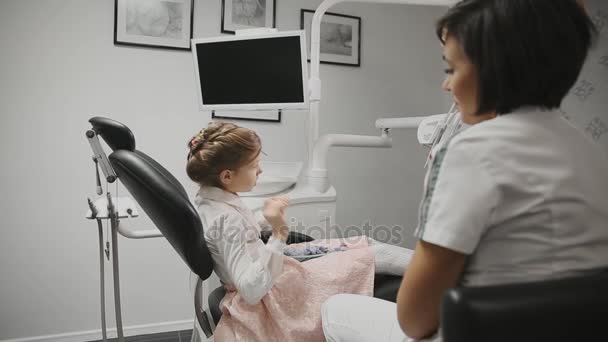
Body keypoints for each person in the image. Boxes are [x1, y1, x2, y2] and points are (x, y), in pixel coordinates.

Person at [321, 0, 608, 341]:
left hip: (478, 331)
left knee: (335, 308)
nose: (446, 86)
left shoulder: (469, 151)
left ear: (495, 70)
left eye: (451, 69)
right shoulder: (589, 152)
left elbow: (415, 318)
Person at [186, 121, 414, 342]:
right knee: (374, 255)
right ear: (227, 176)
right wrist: (279, 231)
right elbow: (250, 290)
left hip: (278, 270)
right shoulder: (227, 220)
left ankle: (443, 268)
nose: (261, 170)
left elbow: (240, 238)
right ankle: (443, 270)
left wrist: (263, 219)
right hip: (278, 294)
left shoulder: (209, 199)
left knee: (364, 243)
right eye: (254, 166)